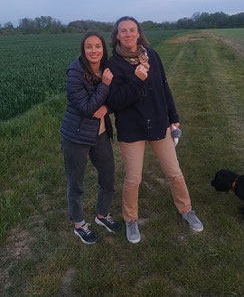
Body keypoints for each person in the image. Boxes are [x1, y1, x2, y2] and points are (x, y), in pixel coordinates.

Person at [106, 16, 203, 244]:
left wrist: (174, 118)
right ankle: (131, 219)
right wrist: (137, 80)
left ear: (138, 33)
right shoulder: (114, 65)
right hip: (132, 129)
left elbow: (164, 86)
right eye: (123, 31)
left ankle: (187, 210)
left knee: (174, 172)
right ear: (117, 36)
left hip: (159, 123)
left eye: (132, 30)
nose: (128, 34)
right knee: (133, 178)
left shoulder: (152, 56)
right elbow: (116, 102)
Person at [60, 31, 120, 245]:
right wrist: (104, 85)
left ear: (103, 48)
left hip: (101, 134)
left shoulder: (108, 68)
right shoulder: (75, 73)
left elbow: (114, 99)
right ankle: (79, 224)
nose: (94, 50)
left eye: (98, 46)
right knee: (76, 183)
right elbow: (86, 108)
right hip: (76, 136)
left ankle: (102, 214)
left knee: (108, 176)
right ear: (83, 50)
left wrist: (107, 106)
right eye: (89, 46)